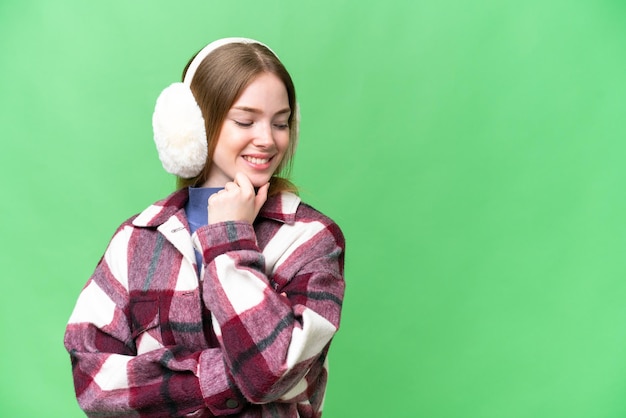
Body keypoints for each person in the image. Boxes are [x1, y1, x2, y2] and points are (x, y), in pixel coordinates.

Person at [64, 37, 346, 418]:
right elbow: (93, 384)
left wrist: (229, 239)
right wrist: (230, 374)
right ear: (193, 126)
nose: (267, 139)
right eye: (245, 121)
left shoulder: (311, 238)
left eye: (280, 123)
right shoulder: (138, 239)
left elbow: (271, 374)